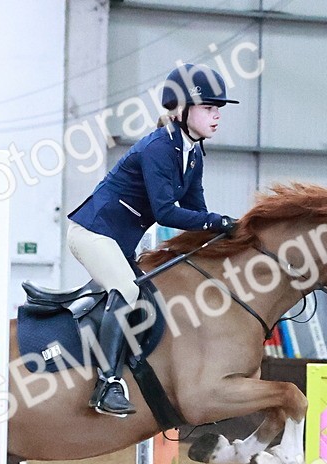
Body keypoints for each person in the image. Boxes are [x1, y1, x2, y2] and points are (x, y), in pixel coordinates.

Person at [68, 63, 239, 416]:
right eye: (208, 108)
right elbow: (165, 212)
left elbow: (196, 214)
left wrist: (225, 237)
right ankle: (107, 384)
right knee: (128, 291)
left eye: (218, 109)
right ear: (180, 109)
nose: (216, 116)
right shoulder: (159, 147)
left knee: (151, 294)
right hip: (92, 233)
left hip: (119, 242)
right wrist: (218, 222)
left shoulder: (193, 154)